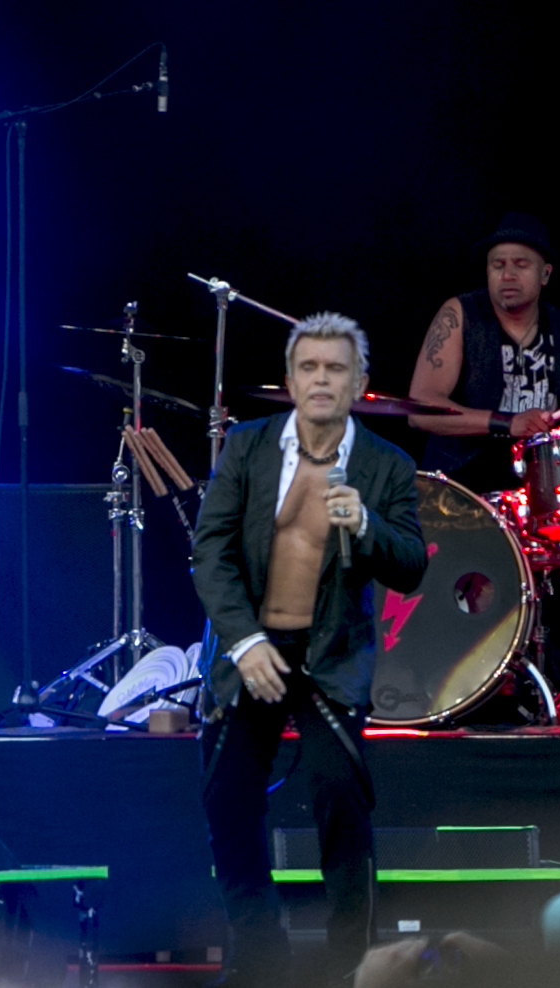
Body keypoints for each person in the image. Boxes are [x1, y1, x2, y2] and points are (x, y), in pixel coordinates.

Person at [190, 312, 428, 987]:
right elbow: (210, 552)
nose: (322, 379)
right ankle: (259, 956)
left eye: (335, 368)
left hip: (330, 655)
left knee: (340, 796)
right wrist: (244, 641)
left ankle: (352, 965)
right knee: (227, 796)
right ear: (291, 380)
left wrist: (368, 524)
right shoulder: (247, 447)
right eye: (309, 368)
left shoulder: (386, 463)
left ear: (359, 382)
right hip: (252, 648)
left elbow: (411, 565)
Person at [408, 211, 560, 494]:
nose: (507, 275)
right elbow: (419, 411)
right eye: (497, 265)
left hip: (550, 487)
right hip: (464, 489)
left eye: (521, 265)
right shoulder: (461, 314)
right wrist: (508, 422)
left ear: (545, 274)